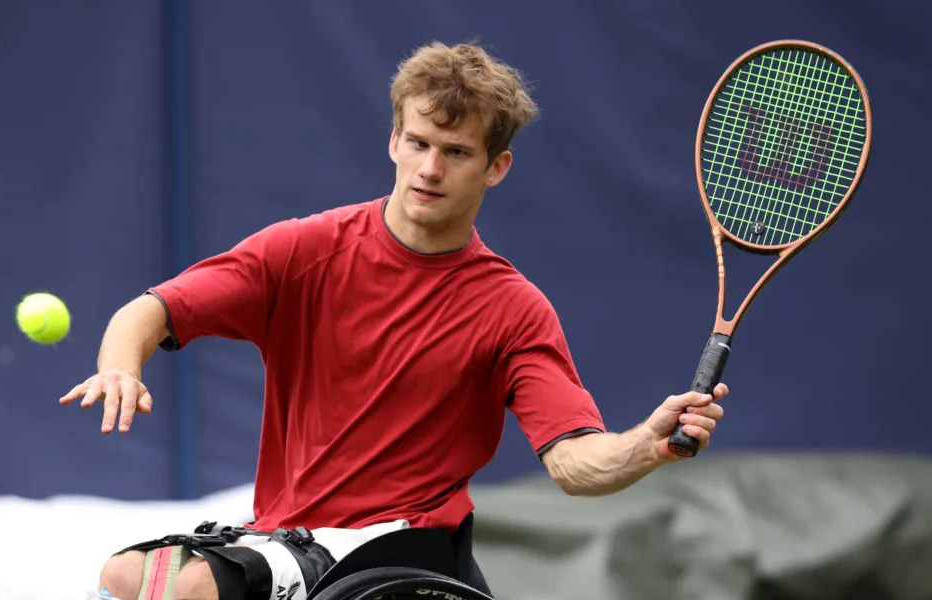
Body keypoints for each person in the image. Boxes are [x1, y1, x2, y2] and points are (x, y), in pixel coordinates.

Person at [61, 41, 727, 600]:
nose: (430, 168)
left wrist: (647, 443)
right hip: (294, 536)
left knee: (185, 590)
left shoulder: (513, 310)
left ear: (498, 167)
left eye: (457, 153)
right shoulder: (301, 251)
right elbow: (150, 310)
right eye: (419, 142)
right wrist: (120, 367)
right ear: (394, 140)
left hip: (402, 554)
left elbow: (573, 463)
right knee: (123, 578)